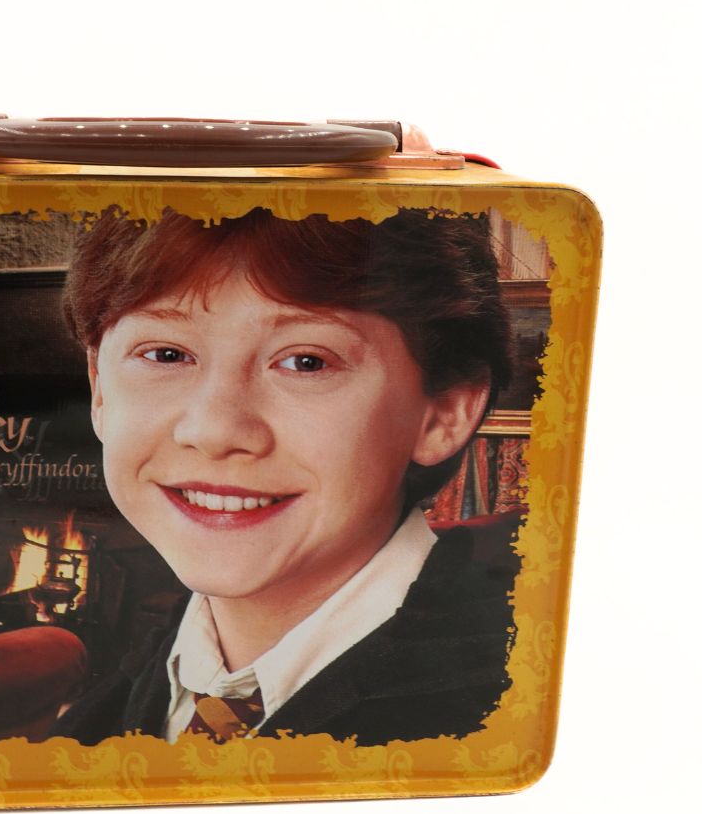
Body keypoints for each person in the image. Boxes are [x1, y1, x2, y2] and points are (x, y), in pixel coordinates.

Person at [50, 206, 520, 746]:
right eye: (166, 354)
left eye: (306, 362)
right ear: (100, 391)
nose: (215, 430)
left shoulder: (505, 718)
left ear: (443, 412)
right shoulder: (100, 719)